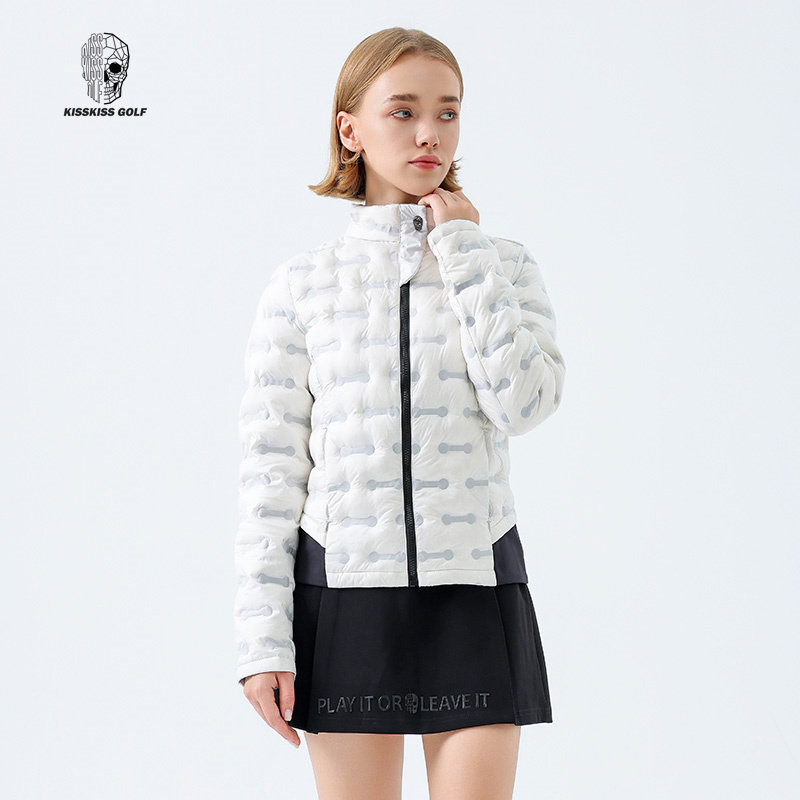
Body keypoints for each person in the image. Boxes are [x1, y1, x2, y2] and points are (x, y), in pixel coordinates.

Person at [233, 26, 566, 800]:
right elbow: (271, 473)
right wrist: (262, 641)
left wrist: (464, 248)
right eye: (403, 111)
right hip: (345, 599)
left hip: (474, 590)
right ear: (349, 130)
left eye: (448, 112)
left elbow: (526, 403)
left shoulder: (502, 264)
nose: (429, 134)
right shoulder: (303, 285)